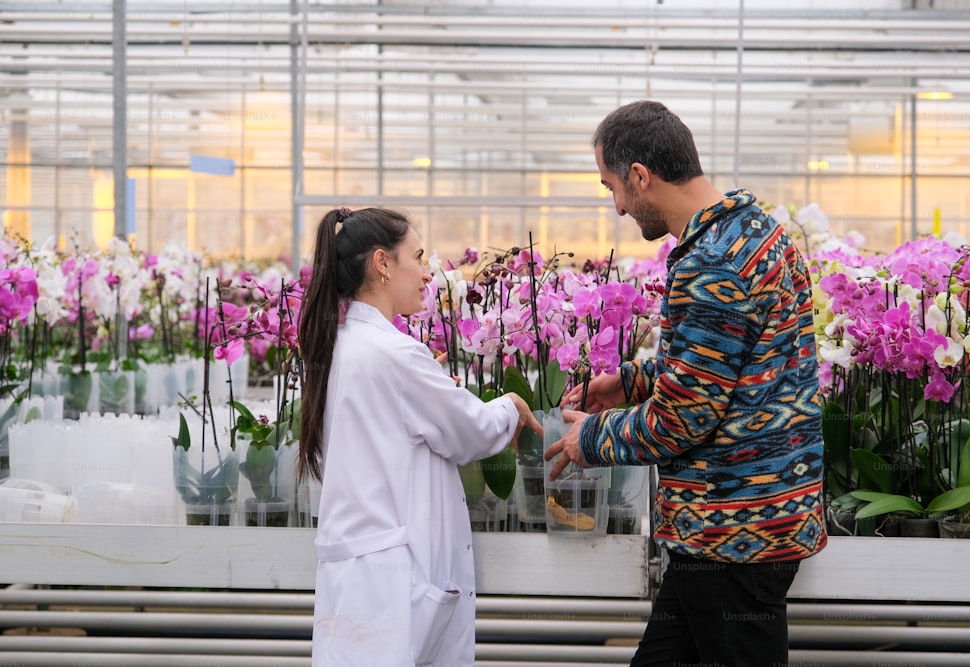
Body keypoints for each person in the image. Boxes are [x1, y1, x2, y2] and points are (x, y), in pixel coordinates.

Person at [545, 100, 828, 667]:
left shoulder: (712, 264)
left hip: (732, 537)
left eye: (612, 188)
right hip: (737, 527)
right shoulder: (753, 232)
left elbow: (686, 417)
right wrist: (630, 381)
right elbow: (735, 366)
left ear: (640, 176)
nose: (618, 207)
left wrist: (591, 439)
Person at [297, 206, 542, 666]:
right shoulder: (396, 353)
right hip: (391, 585)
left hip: (358, 578)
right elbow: (471, 432)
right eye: (419, 257)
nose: (428, 273)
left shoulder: (341, 343)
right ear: (382, 263)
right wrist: (510, 405)